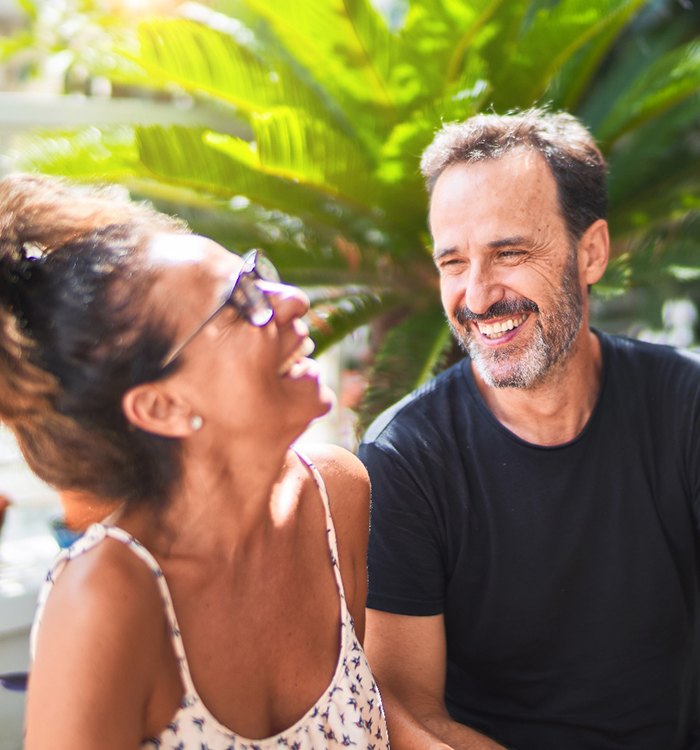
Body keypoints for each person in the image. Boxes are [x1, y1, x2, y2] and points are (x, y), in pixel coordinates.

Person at [0, 173, 388, 749]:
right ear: (163, 406)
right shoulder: (106, 596)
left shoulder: (337, 495)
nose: (294, 301)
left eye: (258, 275)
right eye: (239, 303)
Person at [359, 108, 700, 750]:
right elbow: (401, 708)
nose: (479, 296)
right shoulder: (403, 456)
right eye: (453, 263)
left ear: (591, 251)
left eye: (509, 252)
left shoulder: (688, 406)